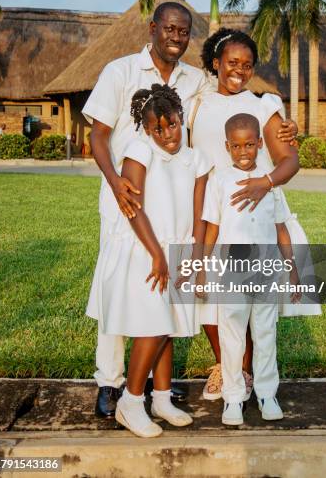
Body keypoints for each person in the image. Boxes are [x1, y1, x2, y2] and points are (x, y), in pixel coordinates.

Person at [82, 3, 297, 417]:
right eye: (170, 29)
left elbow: (243, 104)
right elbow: (100, 135)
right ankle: (111, 382)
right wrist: (115, 182)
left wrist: (287, 123)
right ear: (153, 28)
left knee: (166, 297)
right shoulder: (120, 71)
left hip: (177, 208)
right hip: (126, 202)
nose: (177, 36)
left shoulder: (194, 81)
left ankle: (158, 391)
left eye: (184, 32)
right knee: (121, 293)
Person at [86, 84, 210, 437]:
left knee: (168, 328)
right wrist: (157, 254)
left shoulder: (195, 159)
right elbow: (133, 208)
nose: (168, 134)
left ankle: (161, 398)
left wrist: (195, 259)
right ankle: (131, 401)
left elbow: (199, 214)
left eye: (173, 125)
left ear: (182, 120)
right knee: (153, 326)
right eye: (159, 128)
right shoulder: (139, 152)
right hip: (146, 249)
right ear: (146, 128)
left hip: (179, 247)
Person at [189, 28, 300, 400]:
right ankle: (226, 366)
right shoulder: (197, 104)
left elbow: (289, 160)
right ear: (216, 63)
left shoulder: (263, 105)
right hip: (209, 210)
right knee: (209, 302)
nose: (240, 70)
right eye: (232, 62)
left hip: (251, 215)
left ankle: (247, 373)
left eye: (248, 65)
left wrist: (264, 183)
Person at [200, 113, 302, 425]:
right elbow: (212, 231)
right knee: (232, 334)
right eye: (236, 146)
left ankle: (267, 393)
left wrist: (293, 271)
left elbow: (281, 230)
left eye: (249, 145)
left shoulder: (271, 182)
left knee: (265, 332)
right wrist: (202, 271)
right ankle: (233, 397)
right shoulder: (218, 181)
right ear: (227, 146)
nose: (243, 152)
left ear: (259, 143)